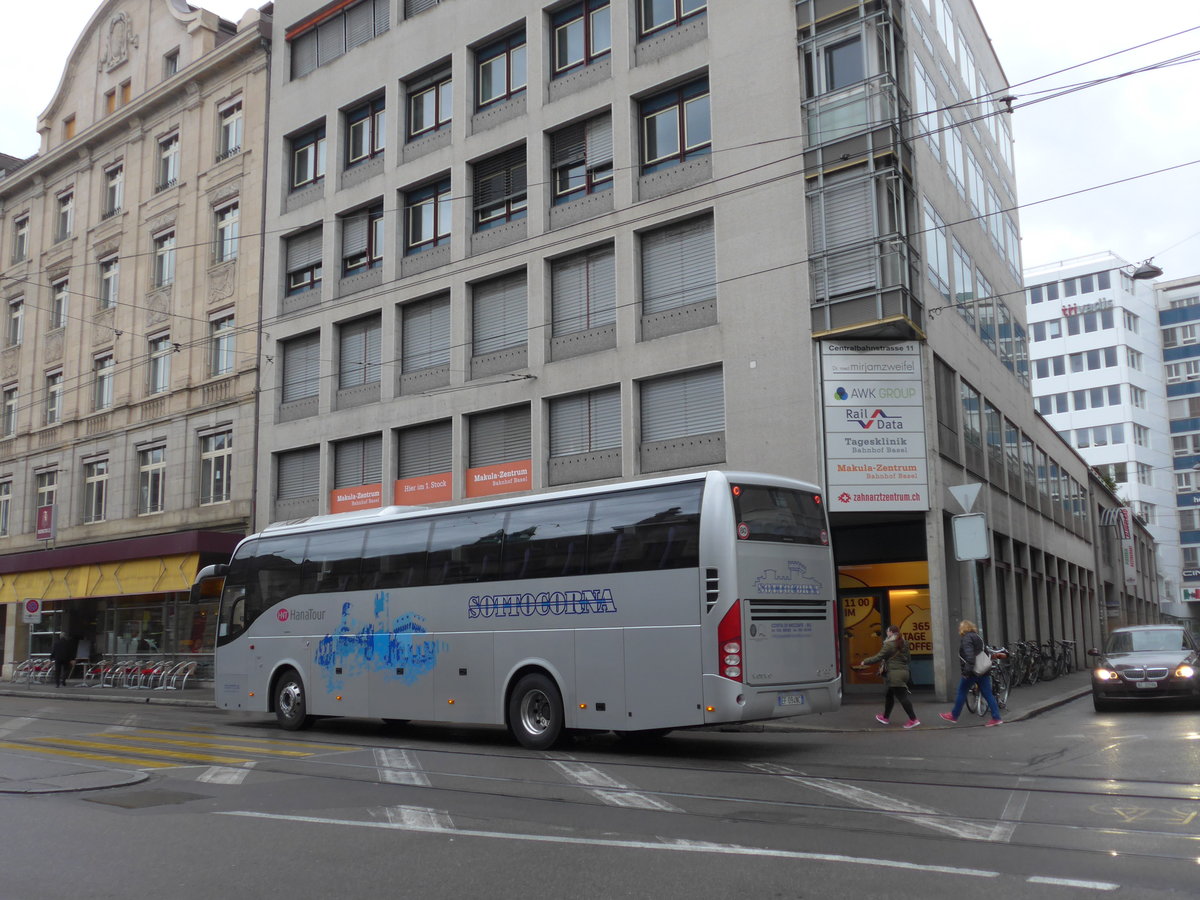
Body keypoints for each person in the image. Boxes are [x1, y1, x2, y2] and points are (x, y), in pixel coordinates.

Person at [939, 619, 1003, 726]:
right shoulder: (978, 637)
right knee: (988, 694)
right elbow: (984, 652)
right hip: (983, 670)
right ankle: (997, 718)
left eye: (960, 627)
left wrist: (966, 672)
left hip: (973, 671)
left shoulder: (966, 639)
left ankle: (954, 715)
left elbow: (970, 657)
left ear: (963, 628)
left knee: (962, 691)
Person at [858, 624, 919, 728]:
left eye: (887, 631)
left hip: (895, 674)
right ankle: (885, 717)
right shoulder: (904, 643)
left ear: (891, 632)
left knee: (902, 697)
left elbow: (879, 657)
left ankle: (913, 719)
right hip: (904, 672)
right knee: (889, 695)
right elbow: (908, 659)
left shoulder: (889, 644)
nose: (886, 633)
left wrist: (865, 661)